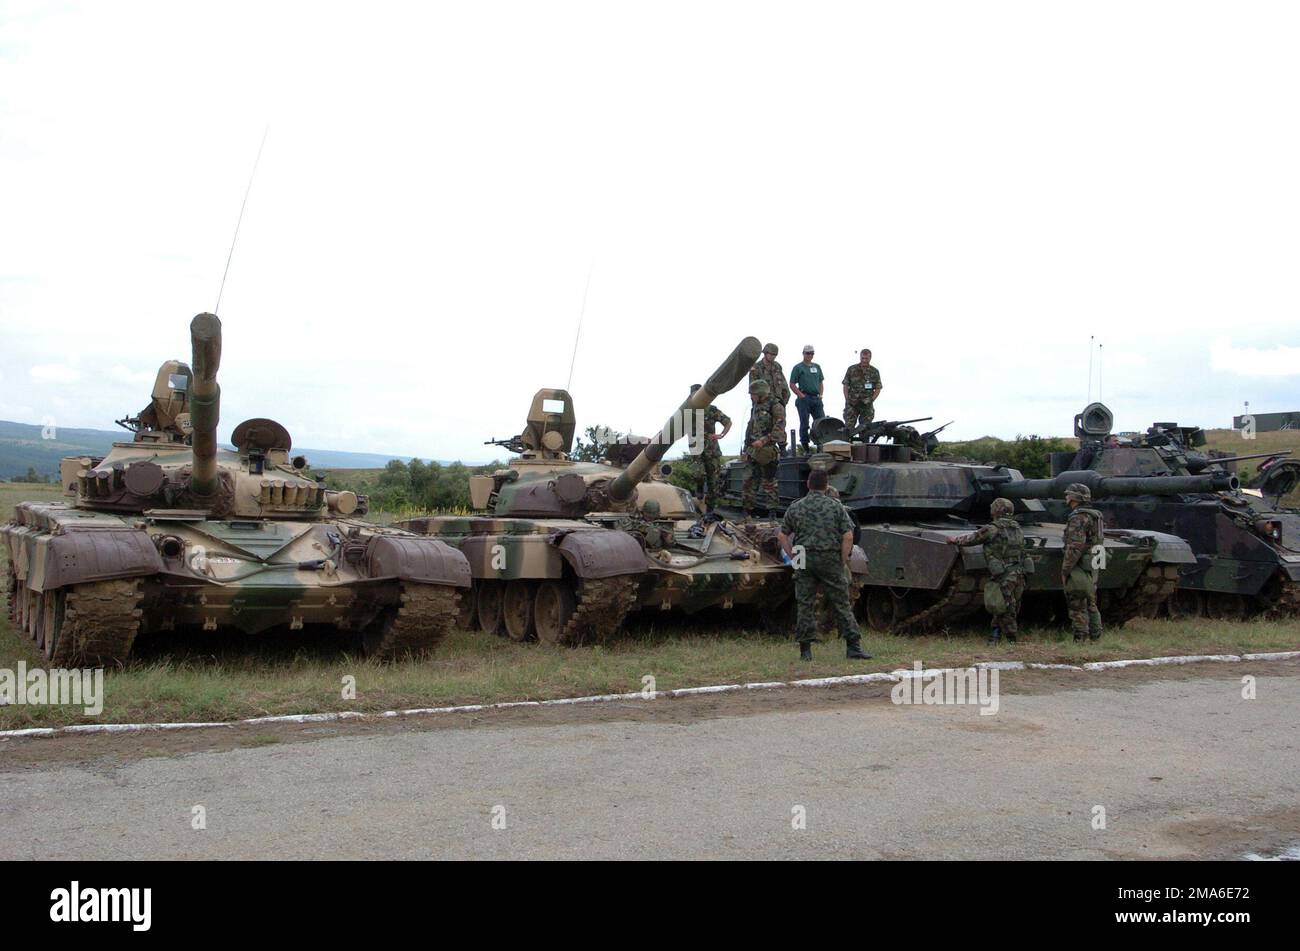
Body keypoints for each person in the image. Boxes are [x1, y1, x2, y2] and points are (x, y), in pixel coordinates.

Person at [779, 468, 871, 661]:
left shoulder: (796, 507)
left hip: (803, 557)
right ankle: (853, 647)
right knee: (841, 603)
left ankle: (805, 651)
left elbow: (782, 535)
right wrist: (843, 558)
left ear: (808, 485)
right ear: (826, 486)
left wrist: (794, 555)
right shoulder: (835, 507)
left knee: (805, 603)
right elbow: (848, 536)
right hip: (829, 557)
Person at [947, 497, 1027, 643]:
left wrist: (955, 540)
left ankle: (1011, 639)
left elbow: (972, 539)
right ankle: (995, 635)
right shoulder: (1017, 528)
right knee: (1006, 604)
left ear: (995, 511)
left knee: (1005, 605)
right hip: (1017, 572)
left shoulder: (992, 528)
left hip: (1002, 573)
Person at [1062, 482, 1105, 641]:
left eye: (1068, 495)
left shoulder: (1078, 517)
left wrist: (1065, 570)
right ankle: (1096, 636)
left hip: (1080, 564)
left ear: (1074, 498)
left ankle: (1080, 638)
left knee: (1077, 601)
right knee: (1091, 601)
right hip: (1094, 561)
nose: (1066, 497)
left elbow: (1074, 546)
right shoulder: (1096, 514)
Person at [741, 379, 782, 515]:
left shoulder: (775, 405)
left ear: (761, 393)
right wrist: (746, 448)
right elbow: (750, 427)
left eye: (753, 394)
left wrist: (764, 440)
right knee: (749, 481)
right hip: (752, 450)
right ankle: (748, 511)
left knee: (769, 482)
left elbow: (780, 427)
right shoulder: (755, 407)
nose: (751, 397)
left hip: (767, 450)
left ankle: (772, 512)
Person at [689, 383, 731, 511]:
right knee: (698, 474)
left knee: (714, 481)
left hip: (712, 450)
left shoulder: (712, 410)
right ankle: (699, 488)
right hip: (696, 449)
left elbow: (728, 422)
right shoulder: (688, 411)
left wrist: (721, 435)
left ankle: (710, 510)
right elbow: (676, 428)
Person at [749, 343, 790, 447]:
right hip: (763, 403)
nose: (773, 357)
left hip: (777, 401)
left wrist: (783, 401)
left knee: (780, 423)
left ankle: (782, 447)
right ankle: (760, 447)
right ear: (765, 353)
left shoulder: (777, 366)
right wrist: (757, 402)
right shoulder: (756, 368)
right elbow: (753, 388)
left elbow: (784, 384)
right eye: (771, 354)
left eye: (774, 355)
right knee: (761, 427)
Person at [788, 344, 825, 452]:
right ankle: (806, 447)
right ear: (803, 353)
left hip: (816, 398)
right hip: (804, 398)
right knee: (804, 423)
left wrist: (821, 395)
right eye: (807, 353)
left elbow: (821, 382)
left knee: (821, 422)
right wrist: (801, 395)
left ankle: (820, 446)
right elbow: (792, 384)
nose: (809, 355)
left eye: (811, 353)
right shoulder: (798, 367)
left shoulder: (817, 367)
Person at [842, 348, 883, 433]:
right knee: (848, 428)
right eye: (862, 358)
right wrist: (847, 399)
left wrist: (871, 400)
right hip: (852, 403)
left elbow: (878, 388)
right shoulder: (852, 369)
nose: (864, 360)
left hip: (866, 404)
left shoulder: (874, 372)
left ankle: (863, 445)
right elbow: (845, 384)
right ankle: (846, 445)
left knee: (866, 429)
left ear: (870, 358)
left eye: (866, 358)